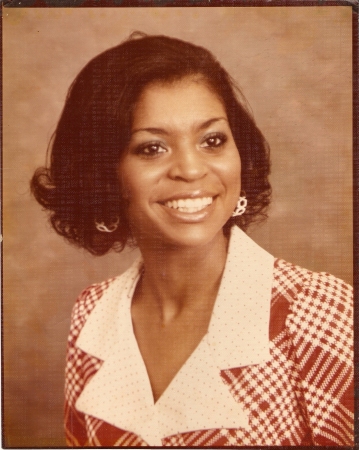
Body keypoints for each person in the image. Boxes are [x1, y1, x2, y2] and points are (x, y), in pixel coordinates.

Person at [31, 32, 353, 447]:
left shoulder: (320, 313)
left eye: (212, 140)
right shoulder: (92, 315)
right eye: (151, 148)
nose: (190, 169)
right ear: (102, 172)